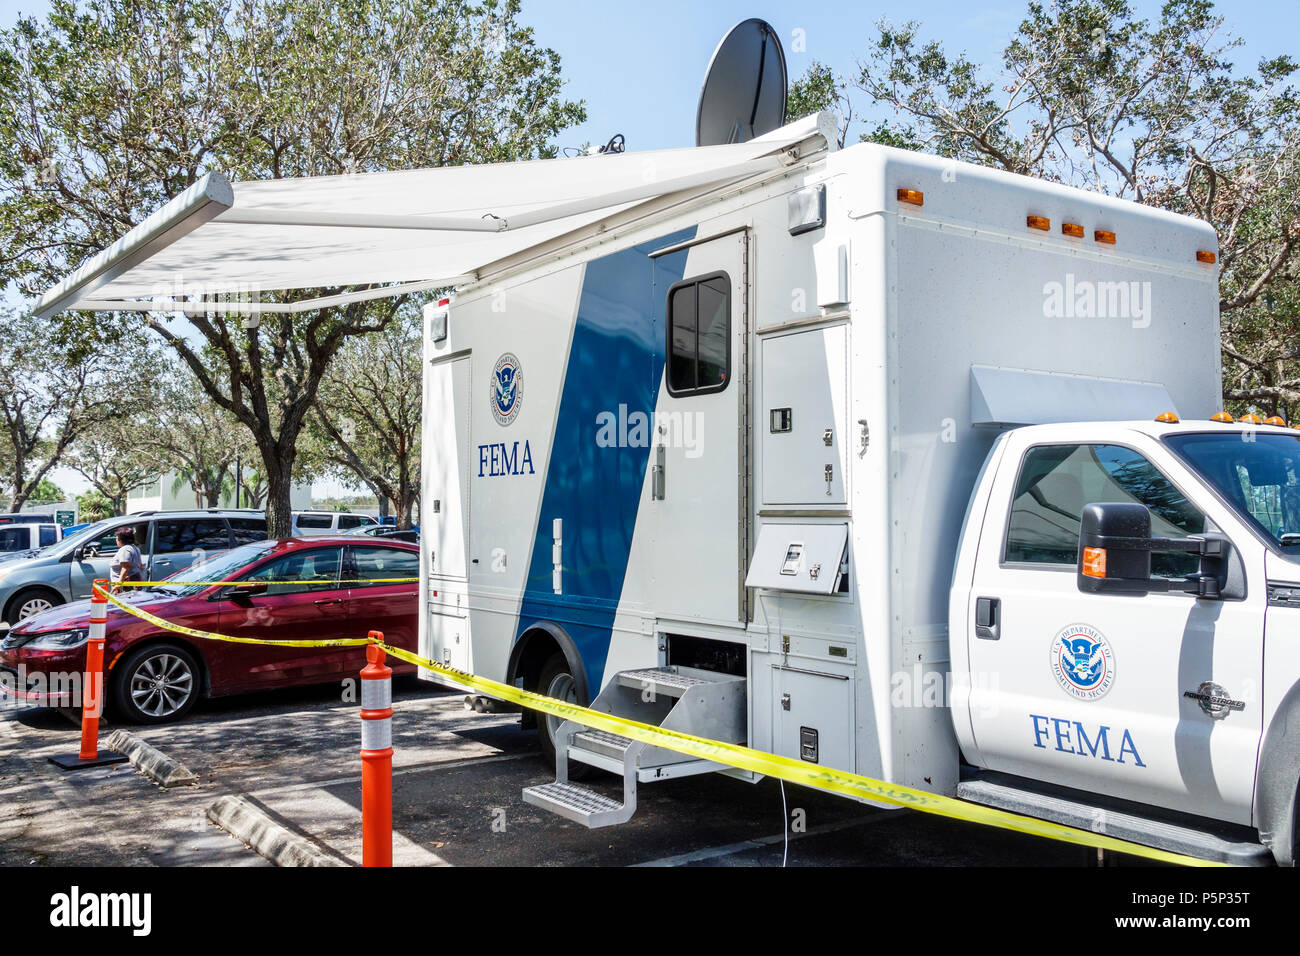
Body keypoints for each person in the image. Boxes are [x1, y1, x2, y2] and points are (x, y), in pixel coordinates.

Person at [109, 527, 143, 593]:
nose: (116, 540)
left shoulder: (125, 549)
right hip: (132, 581)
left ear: (120, 539)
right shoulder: (134, 548)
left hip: (126, 585)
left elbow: (126, 567)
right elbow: (140, 565)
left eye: (116, 538)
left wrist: (119, 584)